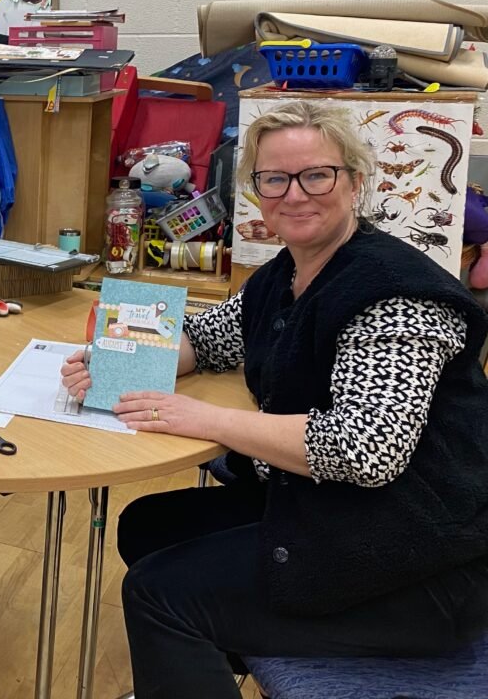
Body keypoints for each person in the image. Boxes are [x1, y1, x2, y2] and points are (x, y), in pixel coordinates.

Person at [61, 101, 488, 698]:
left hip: (421, 557)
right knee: (147, 527)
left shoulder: (395, 296)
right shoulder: (285, 272)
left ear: (355, 182)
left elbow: (363, 451)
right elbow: (209, 338)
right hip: (333, 510)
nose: (295, 194)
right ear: (257, 190)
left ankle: (197, 649)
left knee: (159, 594)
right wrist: (119, 363)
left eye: (317, 175)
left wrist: (204, 418)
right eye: (274, 179)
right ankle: (193, 667)